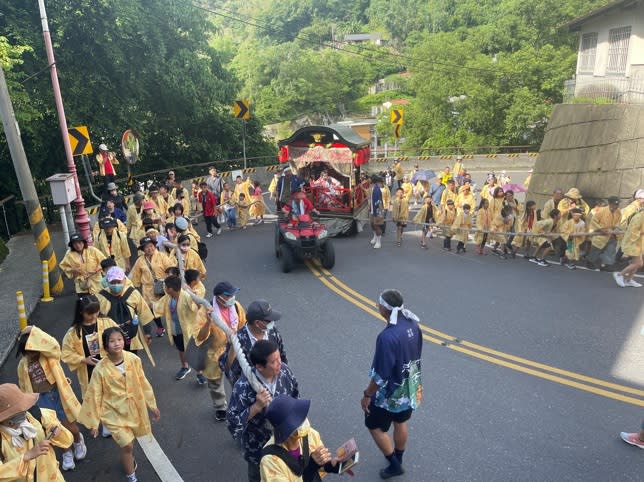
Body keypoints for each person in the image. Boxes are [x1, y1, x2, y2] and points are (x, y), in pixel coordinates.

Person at [78, 327, 160, 482]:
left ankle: (128, 459)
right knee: (127, 445)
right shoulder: (100, 369)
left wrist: (152, 405)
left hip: (133, 409)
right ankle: (131, 476)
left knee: (130, 444)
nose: (116, 343)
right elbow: (94, 394)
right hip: (113, 413)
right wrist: (94, 423)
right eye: (112, 341)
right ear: (106, 345)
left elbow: (143, 383)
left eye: (119, 339)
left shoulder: (133, 360)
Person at [361, 289, 422, 480]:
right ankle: (399, 457)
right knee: (400, 421)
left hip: (392, 391)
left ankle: (394, 465)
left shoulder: (387, 337)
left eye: (379, 304)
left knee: (372, 424)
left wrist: (367, 395)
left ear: (384, 309)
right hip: (410, 386)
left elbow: (380, 375)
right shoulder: (413, 324)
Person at [227, 340, 300, 482]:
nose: (280, 363)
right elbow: (232, 423)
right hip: (259, 448)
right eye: (274, 362)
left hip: (286, 442)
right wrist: (256, 407)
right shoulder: (243, 387)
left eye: (279, 358)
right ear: (259, 367)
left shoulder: (284, 372)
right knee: (259, 476)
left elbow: (296, 397)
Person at [16, 326, 86, 471]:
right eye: (28, 351)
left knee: (69, 423)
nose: (31, 353)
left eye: (33, 349)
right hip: (40, 400)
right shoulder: (22, 365)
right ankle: (66, 452)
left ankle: (78, 440)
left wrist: (34, 330)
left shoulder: (48, 354)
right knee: (52, 428)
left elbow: (53, 344)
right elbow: (24, 386)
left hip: (57, 393)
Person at [0, 383, 72, 481]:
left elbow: (67, 440)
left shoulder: (38, 415)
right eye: (19, 411)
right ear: (7, 420)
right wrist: (26, 456)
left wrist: (58, 433)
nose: (25, 413)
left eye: (24, 408)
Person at [260, 395, 339, 481]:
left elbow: (319, 466)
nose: (303, 421)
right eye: (297, 420)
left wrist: (331, 466)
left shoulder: (311, 434)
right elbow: (312, 468)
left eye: (302, 415)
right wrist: (311, 469)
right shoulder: (270, 461)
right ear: (286, 430)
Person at [61, 295, 118, 399]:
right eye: (90, 314)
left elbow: (118, 338)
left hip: (109, 364)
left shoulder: (107, 322)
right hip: (88, 370)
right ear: (81, 312)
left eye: (96, 312)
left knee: (113, 395)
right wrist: (83, 359)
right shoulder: (73, 333)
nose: (94, 316)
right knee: (93, 398)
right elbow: (66, 353)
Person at [221, 299, 286, 388]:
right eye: (269, 320)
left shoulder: (272, 331)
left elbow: (282, 354)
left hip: (275, 382)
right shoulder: (239, 340)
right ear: (257, 323)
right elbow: (228, 369)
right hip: (253, 388)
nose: (272, 322)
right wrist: (233, 349)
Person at [154, 275, 204, 381]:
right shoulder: (168, 297)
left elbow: (197, 308)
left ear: (170, 289)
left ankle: (200, 373)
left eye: (165, 286)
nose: (164, 288)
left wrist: (196, 300)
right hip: (175, 328)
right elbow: (158, 305)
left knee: (193, 351)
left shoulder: (186, 296)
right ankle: (185, 367)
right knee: (181, 349)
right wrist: (145, 305)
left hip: (188, 329)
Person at [96, 266, 155, 353]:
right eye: (113, 282)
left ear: (124, 280)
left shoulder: (133, 293)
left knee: (131, 362)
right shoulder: (100, 297)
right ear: (107, 281)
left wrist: (148, 333)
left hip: (131, 337)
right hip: (110, 340)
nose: (116, 285)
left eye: (118, 282)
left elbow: (144, 314)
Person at [130, 236, 174, 337]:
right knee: (151, 308)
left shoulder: (162, 256)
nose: (149, 249)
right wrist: (135, 288)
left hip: (163, 285)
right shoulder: (140, 261)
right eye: (146, 247)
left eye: (151, 246)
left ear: (154, 246)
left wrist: (171, 281)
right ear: (143, 249)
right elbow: (136, 275)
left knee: (169, 306)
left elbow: (170, 269)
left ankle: (172, 325)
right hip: (148, 288)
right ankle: (160, 326)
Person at [614, 189, 644, 288]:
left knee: (638, 263)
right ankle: (619, 275)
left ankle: (628, 279)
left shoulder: (640, 210)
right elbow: (632, 230)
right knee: (638, 263)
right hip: (633, 241)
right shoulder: (638, 214)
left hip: (638, 242)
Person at [586, 196, 622, 270]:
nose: (615, 206)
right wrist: (601, 229)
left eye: (617, 205)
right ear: (609, 203)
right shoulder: (602, 211)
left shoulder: (618, 211)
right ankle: (590, 262)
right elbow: (594, 221)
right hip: (601, 233)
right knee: (596, 250)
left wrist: (616, 228)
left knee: (610, 250)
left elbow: (618, 222)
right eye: (614, 204)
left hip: (612, 234)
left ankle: (606, 265)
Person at [369, 176, 385, 249]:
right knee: (372, 224)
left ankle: (379, 242)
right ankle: (375, 237)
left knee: (377, 226)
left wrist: (380, 212)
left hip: (378, 210)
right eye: (381, 182)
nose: (382, 184)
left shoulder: (377, 189)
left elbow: (379, 202)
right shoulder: (373, 188)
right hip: (373, 210)